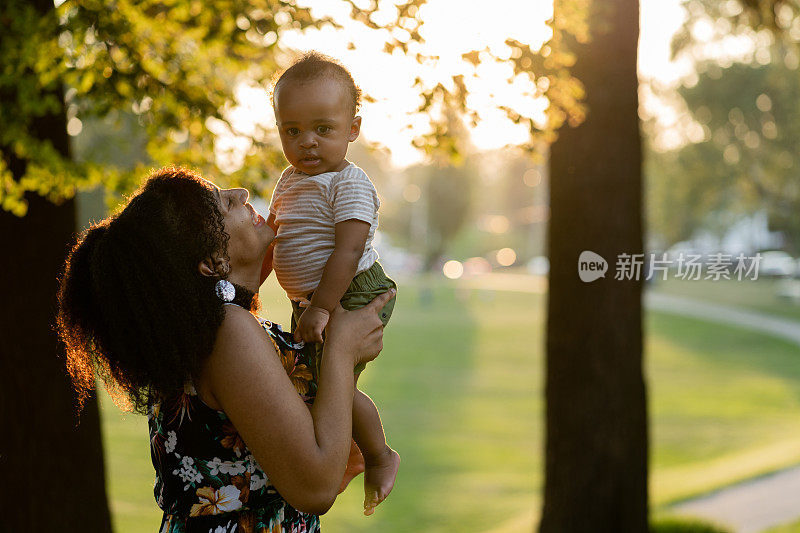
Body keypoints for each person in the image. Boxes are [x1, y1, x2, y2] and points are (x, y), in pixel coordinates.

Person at [56, 167, 395, 532]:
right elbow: (315, 488)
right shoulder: (228, 331)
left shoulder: (203, 330)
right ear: (209, 263)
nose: (243, 193)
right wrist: (342, 351)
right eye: (225, 202)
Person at [263, 51, 400, 516]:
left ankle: (377, 455)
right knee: (310, 383)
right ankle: (340, 452)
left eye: (324, 129)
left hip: (351, 290)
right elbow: (275, 236)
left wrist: (322, 308)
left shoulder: (349, 183)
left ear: (353, 129)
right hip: (310, 302)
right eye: (293, 130)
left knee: (328, 387)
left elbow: (346, 252)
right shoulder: (289, 180)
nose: (308, 143)